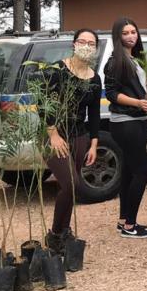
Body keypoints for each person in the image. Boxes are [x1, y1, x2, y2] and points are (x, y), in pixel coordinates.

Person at [41, 28, 102, 254]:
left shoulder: (95, 79)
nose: (86, 46)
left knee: (71, 189)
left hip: (79, 136)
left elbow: (94, 114)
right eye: (82, 41)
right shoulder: (57, 70)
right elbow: (43, 101)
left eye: (91, 43)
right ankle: (55, 235)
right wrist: (53, 134)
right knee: (72, 184)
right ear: (74, 44)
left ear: (95, 48)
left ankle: (64, 232)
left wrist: (93, 143)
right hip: (54, 135)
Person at [104, 17, 147, 239]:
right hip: (126, 123)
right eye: (125, 33)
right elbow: (112, 94)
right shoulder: (116, 61)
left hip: (137, 120)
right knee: (142, 171)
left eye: (133, 32)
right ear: (118, 36)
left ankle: (124, 220)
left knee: (128, 171)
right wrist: (137, 103)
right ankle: (130, 225)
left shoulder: (132, 59)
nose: (131, 36)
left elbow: (134, 89)